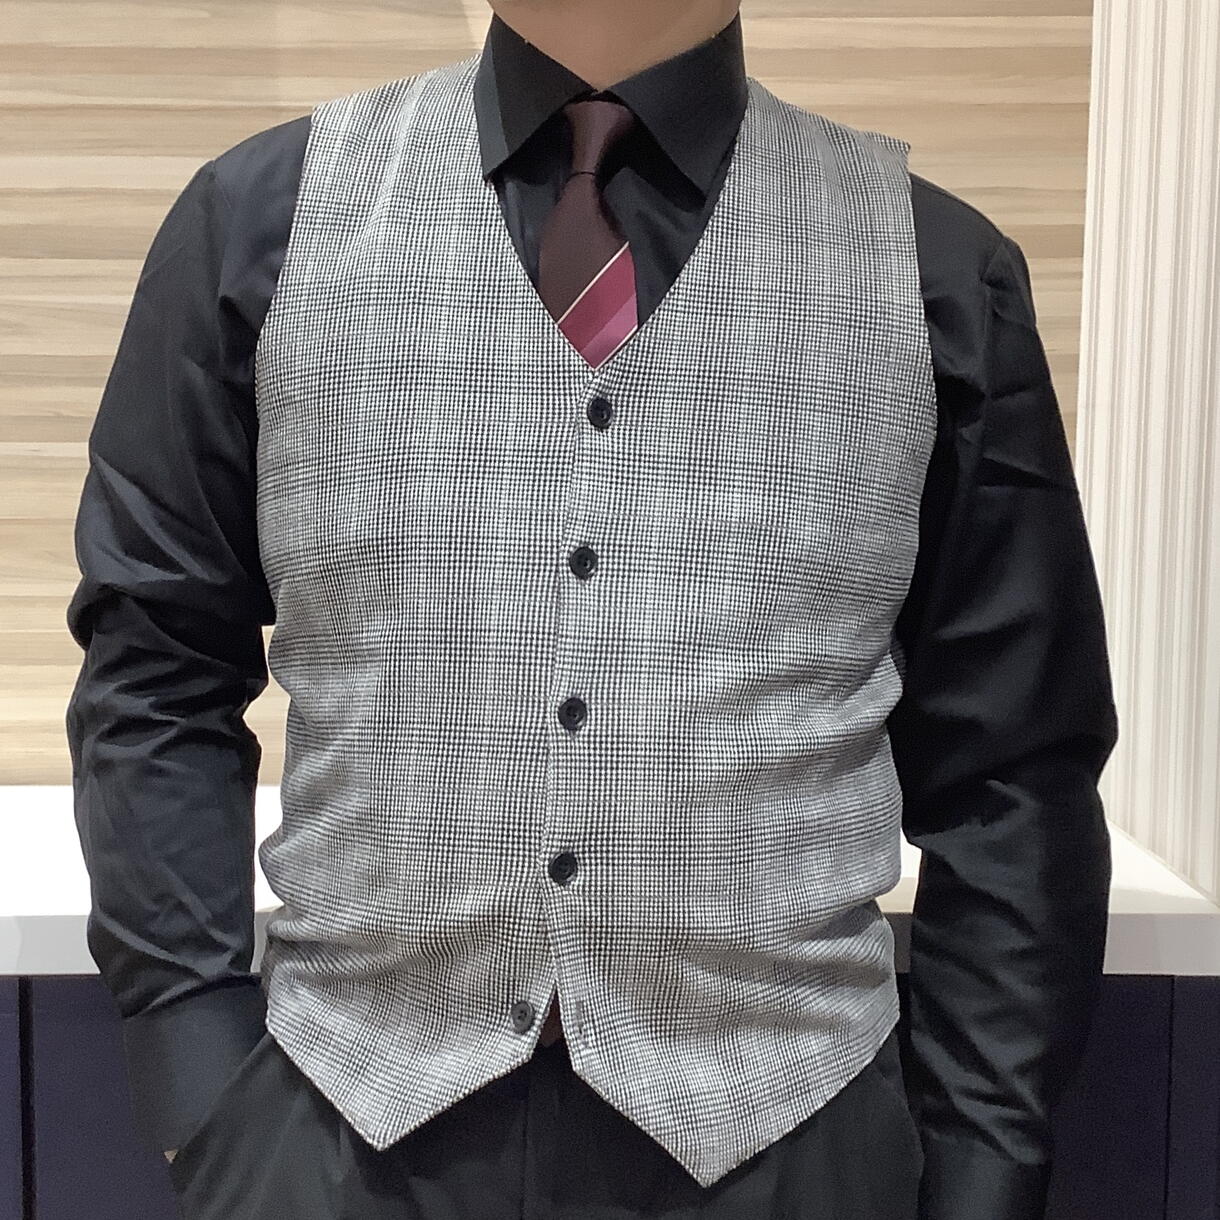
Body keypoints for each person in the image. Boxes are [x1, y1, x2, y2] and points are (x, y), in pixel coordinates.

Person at [64, 1, 1118, 1218]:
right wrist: (205, 1086)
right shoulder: (258, 228)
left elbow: (1013, 775)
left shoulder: (936, 273)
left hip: (792, 1148)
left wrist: (981, 1167)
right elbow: (157, 668)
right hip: (337, 1140)